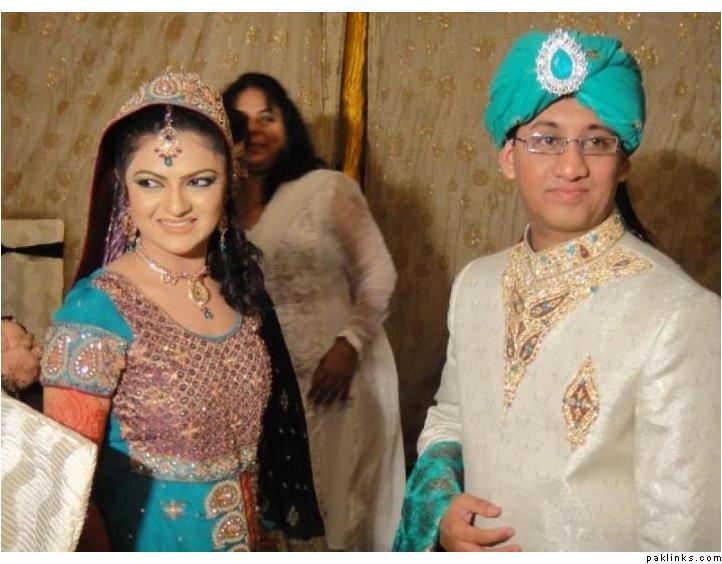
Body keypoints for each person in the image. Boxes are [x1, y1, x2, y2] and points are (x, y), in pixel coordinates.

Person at [393, 29, 720, 552]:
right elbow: (451, 417)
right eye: (546, 140)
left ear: (623, 162)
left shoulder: (679, 312)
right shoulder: (476, 285)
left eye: (597, 141)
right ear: (508, 157)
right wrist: (442, 509)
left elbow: (686, 532)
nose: (571, 166)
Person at [39, 72, 325, 551]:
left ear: (229, 183)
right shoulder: (96, 311)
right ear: (124, 189)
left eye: (199, 181)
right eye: (151, 182)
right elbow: (65, 495)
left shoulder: (240, 293)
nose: (176, 206)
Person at [223, 72, 405, 551]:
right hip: (267, 391)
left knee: (338, 513)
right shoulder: (216, 211)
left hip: (337, 380)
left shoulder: (327, 189)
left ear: (289, 126)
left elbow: (379, 274)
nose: (255, 130)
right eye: (243, 120)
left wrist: (350, 344)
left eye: (268, 117)